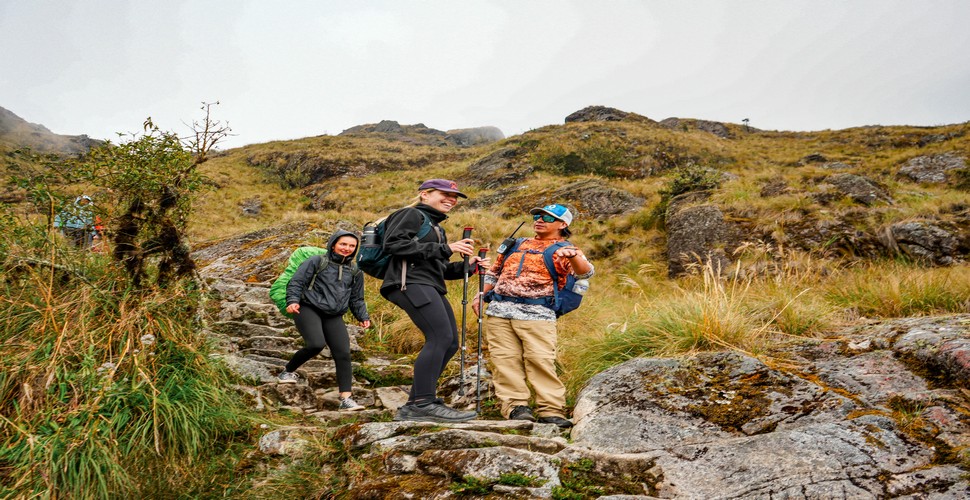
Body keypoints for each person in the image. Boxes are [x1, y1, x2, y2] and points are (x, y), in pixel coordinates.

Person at [472, 204, 594, 429]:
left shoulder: (565, 249)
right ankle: (516, 407)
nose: (539, 220)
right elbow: (495, 272)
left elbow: (585, 272)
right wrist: (481, 296)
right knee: (504, 361)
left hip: (537, 314)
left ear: (563, 225)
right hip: (499, 312)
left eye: (547, 218)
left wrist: (574, 256)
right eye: (537, 216)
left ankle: (550, 410)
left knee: (541, 360)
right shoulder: (517, 243)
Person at [381, 179, 488, 423]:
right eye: (445, 194)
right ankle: (424, 403)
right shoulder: (411, 215)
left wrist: (467, 267)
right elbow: (393, 245)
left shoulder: (436, 228)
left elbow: (441, 269)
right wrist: (447, 248)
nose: (451, 199)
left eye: (455, 197)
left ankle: (414, 405)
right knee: (439, 337)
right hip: (409, 283)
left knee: (449, 343)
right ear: (425, 194)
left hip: (428, 284)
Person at [278, 229, 371, 412]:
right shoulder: (316, 261)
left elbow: (356, 298)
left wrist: (362, 316)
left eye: (352, 246)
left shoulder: (354, 270)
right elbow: (297, 281)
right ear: (334, 244)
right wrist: (293, 301)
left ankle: (346, 399)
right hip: (308, 307)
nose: (347, 248)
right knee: (315, 344)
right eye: (343, 244)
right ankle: (287, 371)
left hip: (334, 314)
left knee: (343, 353)